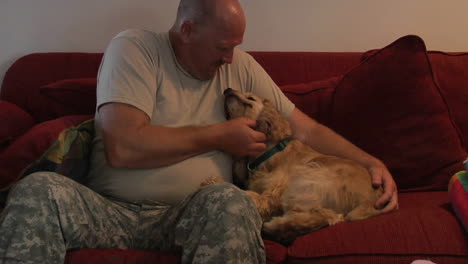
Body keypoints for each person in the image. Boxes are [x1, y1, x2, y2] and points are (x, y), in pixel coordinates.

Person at [0, 0, 398, 263]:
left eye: (235, 47)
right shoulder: (135, 50)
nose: (229, 58)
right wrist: (219, 136)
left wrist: (369, 162)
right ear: (187, 30)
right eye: (222, 47)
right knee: (39, 190)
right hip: (110, 211)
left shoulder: (238, 65)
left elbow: (304, 129)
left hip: (192, 214)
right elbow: (123, 146)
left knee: (231, 200)